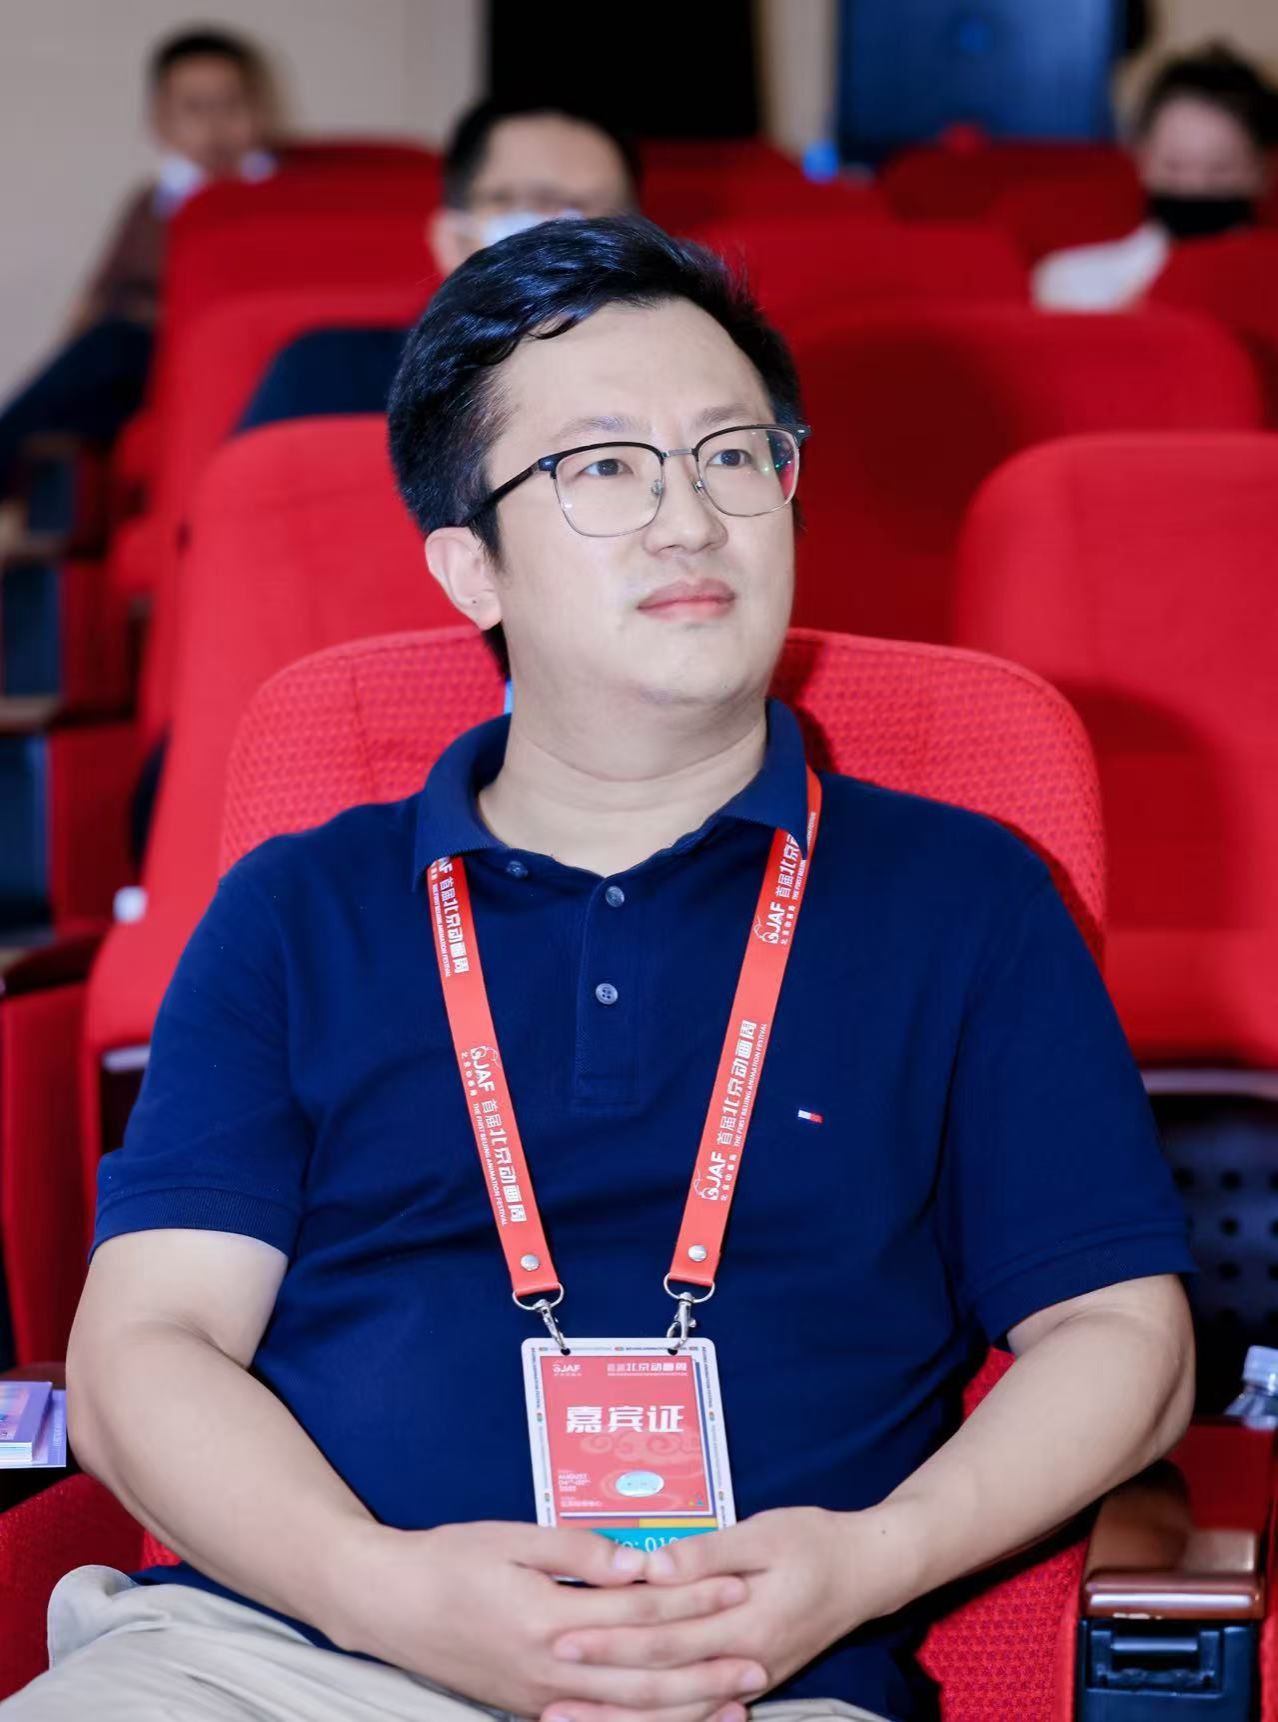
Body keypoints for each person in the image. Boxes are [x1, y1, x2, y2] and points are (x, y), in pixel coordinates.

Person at [9, 216, 1195, 1722]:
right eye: (606, 468)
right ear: (470, 566)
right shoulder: (297, 909)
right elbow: (146, 1347)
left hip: (748, 1680)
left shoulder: (966, 899)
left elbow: (1125, 1337)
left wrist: (870, 1561)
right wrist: (382, 1591)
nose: (690, 518)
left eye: (733, 455)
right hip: (285, 1661)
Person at [236, 98, 639, 433]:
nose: (570, 230)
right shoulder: (326, 376)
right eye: (535, 204)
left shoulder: (658, 382)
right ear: (456, 239)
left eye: (601, 213)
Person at [0, 29, 274, 497]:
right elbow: (96, 298)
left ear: (261, 111)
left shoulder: (279, 202)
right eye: (195, 109)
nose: (216, 126)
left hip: (211, 353)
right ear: (160, 122)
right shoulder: (152, 205)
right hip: (139, 365)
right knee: (97, 363)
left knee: (114, 347)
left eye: (232, 105)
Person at [1034, 43, 1278, 310]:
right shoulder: (1074, 281)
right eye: (1174, 166)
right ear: (1143, 160)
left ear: (1263, 169)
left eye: (1221, 169)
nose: (1194, 186)